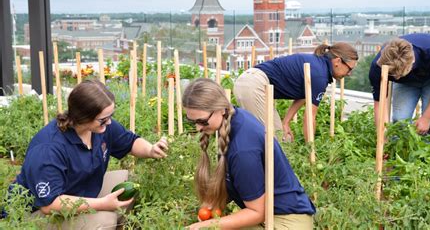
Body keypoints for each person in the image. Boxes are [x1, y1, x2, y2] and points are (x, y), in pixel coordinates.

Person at [9, 80, 169, 229]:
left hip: (77, 191)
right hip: (37, 214)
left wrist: (150, 150)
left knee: (128, 182)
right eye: (103, 119)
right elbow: (49, 204)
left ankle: (116, 221)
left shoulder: (101, 127)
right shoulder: (48, 148)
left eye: (110, 117)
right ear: (82, 117)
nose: (109, 123)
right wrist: (101, 204)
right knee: (105, 220)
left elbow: (130, 142)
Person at [183, 78, 316, 229]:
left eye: (202, 121)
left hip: (287, 222)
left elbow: (257, 212)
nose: (198, 128)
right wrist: (211, 205)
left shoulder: (243, 150)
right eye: (192, 121)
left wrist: (207, 225)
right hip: (273, 214)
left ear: (221, 109)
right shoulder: (233, 119)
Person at [233, 42, 358, 142]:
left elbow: (305, 96)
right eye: (349, 69)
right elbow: (310, 117)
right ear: (337, 61)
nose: (349, 73)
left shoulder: (318, 66)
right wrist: (311, 150)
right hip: (254, 85)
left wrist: (286, 122)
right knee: (277, 141)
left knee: (278, 138)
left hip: (251, 83)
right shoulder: (320, 75)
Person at [369, 33, 430, 134]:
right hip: (406, 83)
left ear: (412, 62)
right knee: (400, 122)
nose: (396, 78)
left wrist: (426, 118)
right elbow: (380, 104)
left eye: (399, 74)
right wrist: (384, 136)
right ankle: (399, 148)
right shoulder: (378, 67)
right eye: (393, 74)